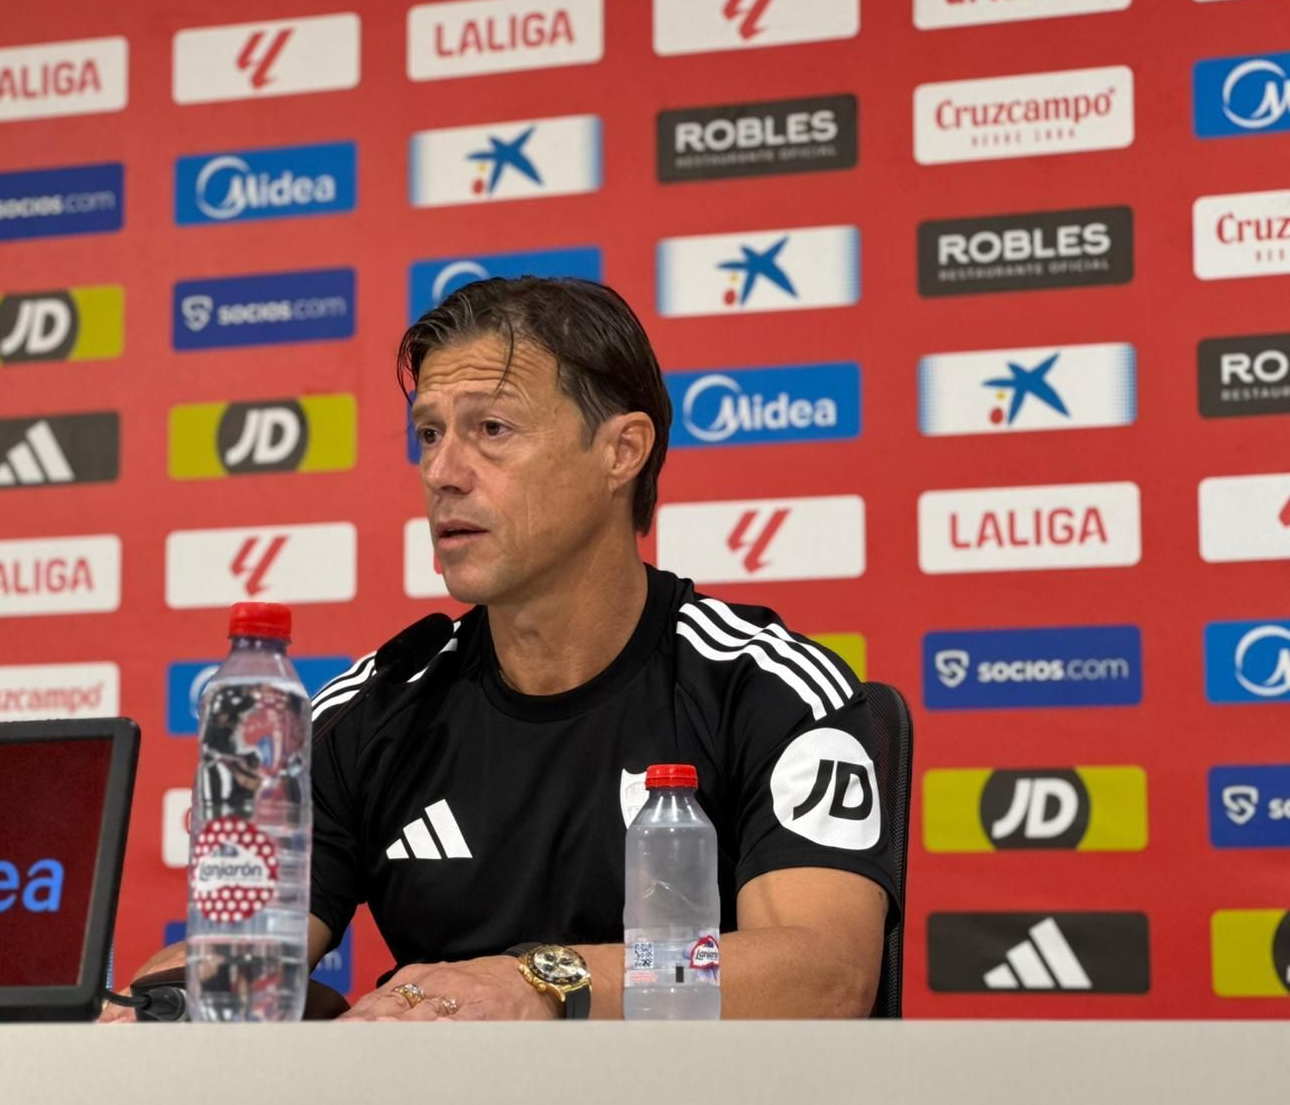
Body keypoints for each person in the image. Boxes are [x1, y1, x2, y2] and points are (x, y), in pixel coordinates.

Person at [104, 277, 897, 1022]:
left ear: (622, 452)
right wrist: (155, 1006)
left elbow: (827, 972)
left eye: (492, 430)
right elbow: (240, 960)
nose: (443, 473)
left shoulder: (766, 687)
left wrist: (541, 983)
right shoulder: (371, 712)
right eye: (429, 434)